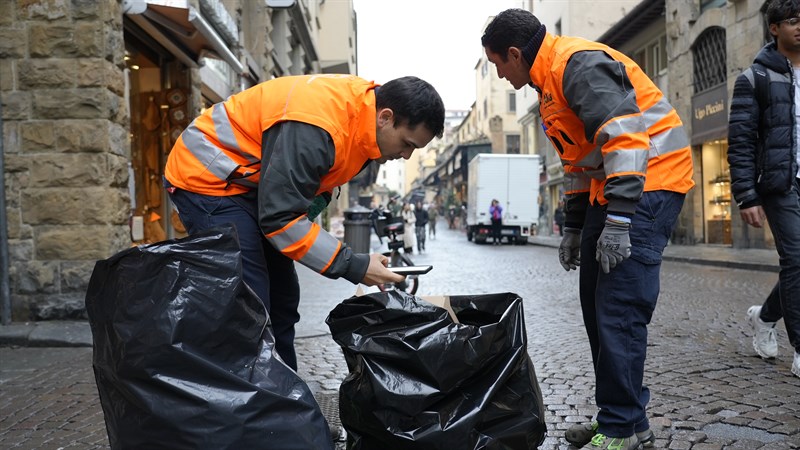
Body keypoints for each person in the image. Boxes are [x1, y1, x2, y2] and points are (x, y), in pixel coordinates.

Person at [482, 9, 694, 450]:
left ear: (516, 54)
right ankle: (625, 421)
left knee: (618, 308)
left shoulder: (576, 64)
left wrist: (618, 220)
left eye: (497, 63)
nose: (499, 74)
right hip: (616, 191)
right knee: (597, 308)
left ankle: (620, 430)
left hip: (648, 185)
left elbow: (625, 137)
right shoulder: (549, 86)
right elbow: (579, 162)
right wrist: (575, 226)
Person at [164, 74, 445, 370]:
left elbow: (305, 193)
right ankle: (251, 402)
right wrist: (356, 266)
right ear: (386, 118)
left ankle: (284, 393)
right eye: (407, 143)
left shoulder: (361, 121)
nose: (406, 155)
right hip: (207, 179)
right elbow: (280, 220)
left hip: (249, 186)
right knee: (251, 303)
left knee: (282, 297)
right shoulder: (318, 124)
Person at [728, 0, 800, 379]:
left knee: (798, 265)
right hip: (780, 183)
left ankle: (765, 316)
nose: (799, 26)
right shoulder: (754, 77)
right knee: (797, 260)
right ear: (774, 28)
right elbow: (740, 141)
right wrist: (746, 194)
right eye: (792, 21)